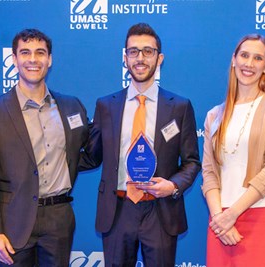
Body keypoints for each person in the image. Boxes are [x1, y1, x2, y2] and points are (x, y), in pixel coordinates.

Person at [84, 23, 201, 266]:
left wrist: (173, 185)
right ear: (125, 57)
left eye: (148, 51)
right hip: (117, 210)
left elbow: (191, 162)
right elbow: (91, 156)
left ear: (160, 58)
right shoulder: (106, 106)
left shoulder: (179, 107)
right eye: (133, 51)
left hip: (161, 211)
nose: (140, 58)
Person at [0, 28, 92, 267]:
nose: (33, 59)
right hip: (13, 221)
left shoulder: (72, 106)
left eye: (40, 53)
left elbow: (86, 154)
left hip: (59, 218)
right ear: (14, 59)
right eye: (25, 52)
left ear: (49, 60)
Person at [202, 34, 265, 267]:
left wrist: (232, 215)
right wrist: (220, 217)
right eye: (244, 55)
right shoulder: (214, 115)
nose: (249, 64)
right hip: (219, 221)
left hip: (262, 216)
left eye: (258, 58)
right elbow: (209, 173)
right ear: (233, 59)